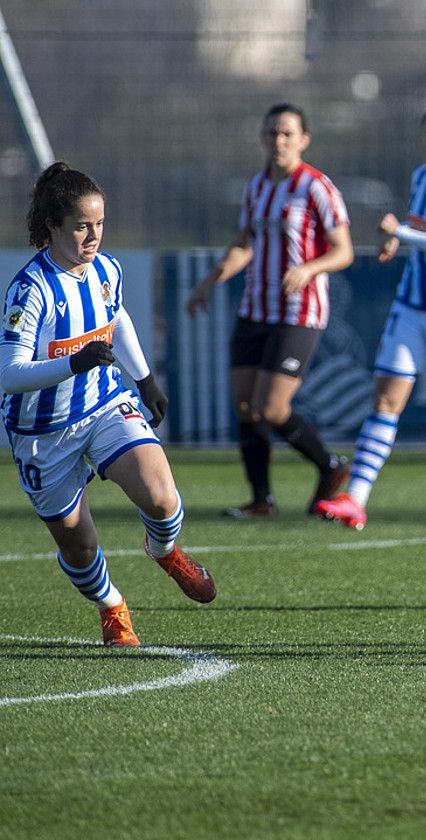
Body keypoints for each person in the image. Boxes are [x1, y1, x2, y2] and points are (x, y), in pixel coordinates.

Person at [2, 164, 216, 646]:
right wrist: (73, 364)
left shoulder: (106, 269)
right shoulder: (31, 289)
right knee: (79, 548)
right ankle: (112, 605)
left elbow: (116, 316)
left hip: (102, 405)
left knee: (162, 498)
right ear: (53, 225)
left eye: (99, 224)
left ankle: (164, 552)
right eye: (81, 226)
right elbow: (8, 374)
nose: (93, 236)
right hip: (42, 434)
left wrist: (145, 380)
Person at [314, 100, 426, 531]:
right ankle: (356, 499)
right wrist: (399, 243)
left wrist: (400, 232)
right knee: (384, 399)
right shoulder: (420, 177)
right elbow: (423, 234)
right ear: (423, 139)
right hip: (411, 308)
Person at [185, 103, 353, 518]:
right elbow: (245, 244)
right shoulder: (256, 187)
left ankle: (329, 467)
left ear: (303, 140)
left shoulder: (316, 187)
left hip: (299, 311)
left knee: (272, 408)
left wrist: (309, 268)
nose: (278, 141)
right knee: (244, 405)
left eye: (287, 135)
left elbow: (343, 251)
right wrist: (209, 282)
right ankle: (262, 499)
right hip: (254, 308)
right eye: (272, 134)